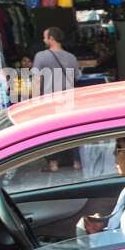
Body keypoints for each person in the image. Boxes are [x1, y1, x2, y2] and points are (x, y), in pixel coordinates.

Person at [34, 27, 81, 172]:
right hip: (68, 99)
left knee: (50, 132)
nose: (43, 40)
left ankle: (53, 163)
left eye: (45, 37)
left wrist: (36, 100)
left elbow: (37, 80)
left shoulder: (41, 56)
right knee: (72, 131)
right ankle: (76, 162)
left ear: (51, 38)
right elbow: (76, 78)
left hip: (49, 100)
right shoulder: (71, 57)